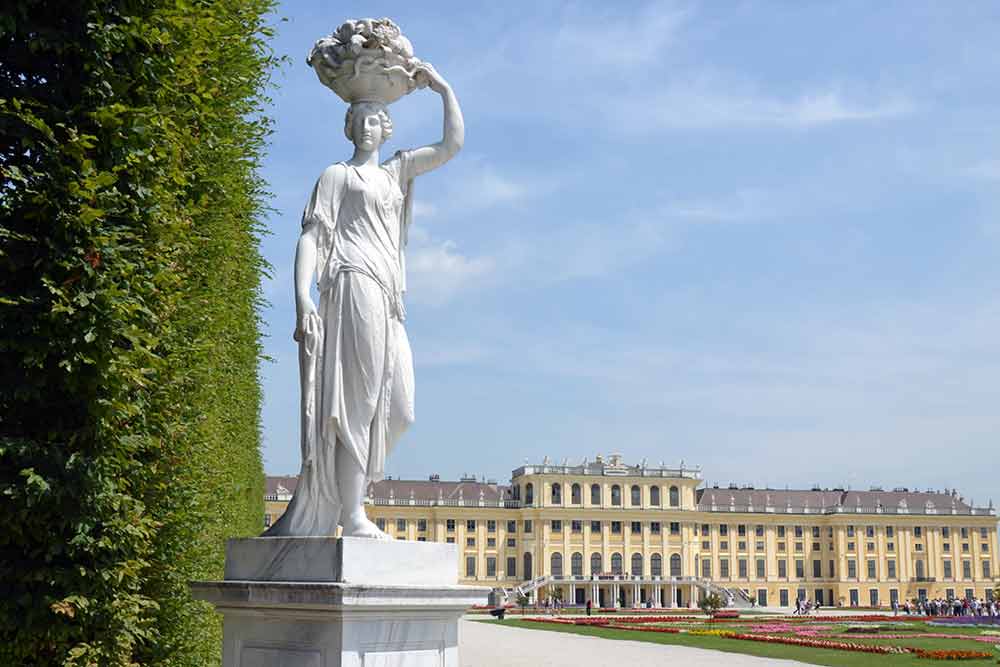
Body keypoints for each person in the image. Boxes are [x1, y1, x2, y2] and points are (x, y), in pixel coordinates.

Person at [264, 61, 464, 537]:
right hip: (352, 283)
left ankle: (344, 498)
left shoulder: (398, 172)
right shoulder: (337, 176)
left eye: (376, 119)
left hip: (388, 298)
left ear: (387, 126)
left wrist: (442, 86)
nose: (369, 127)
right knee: (357, 402)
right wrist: (302, 299)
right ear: (350, 127)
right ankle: (352, 514)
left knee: (399, 408)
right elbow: (311, 238)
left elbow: (452, 144)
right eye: (361, 120)